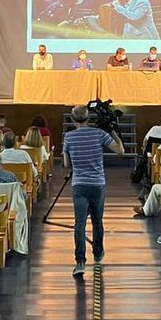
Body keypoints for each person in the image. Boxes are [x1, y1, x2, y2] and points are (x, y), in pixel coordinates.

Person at [63, 104, 124, 276]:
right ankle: (98, 253)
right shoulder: (99, 134)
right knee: (97, 221)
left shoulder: (68, 137)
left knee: (79, 223)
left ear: (73, 119)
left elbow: (67, 165)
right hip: (97, 184)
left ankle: (80, 262)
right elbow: (120, 151)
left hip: (79, 184)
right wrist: (112, 131)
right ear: (89, 118)